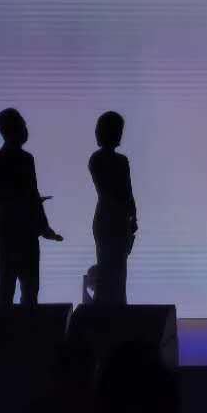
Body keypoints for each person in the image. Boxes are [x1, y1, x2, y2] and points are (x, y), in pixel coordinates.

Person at [0, 108, 62, 306]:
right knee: (27, 286)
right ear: (13, 129)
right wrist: (43, 226)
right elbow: (29, 195)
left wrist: (43, 225)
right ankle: (25, 323)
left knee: (8, 285)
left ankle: (3, 324)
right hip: (23, 231)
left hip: (8, 230)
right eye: (23, 125)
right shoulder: (24, 159)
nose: (26, 129)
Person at [89, 111, 137, 306]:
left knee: (115, 269)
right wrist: (130, 216)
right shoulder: (107, 160)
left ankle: (113, 308)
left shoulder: (105, 159)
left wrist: (132, 217)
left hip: (113, 218)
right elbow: (121, 192)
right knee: (112, 269)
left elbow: (127, 192)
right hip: (112, 219)